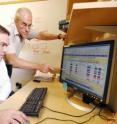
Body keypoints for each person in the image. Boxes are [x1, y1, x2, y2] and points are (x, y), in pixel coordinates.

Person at [5, 7, 65, 75]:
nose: (27, 29)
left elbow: (41, 35)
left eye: (29, 25)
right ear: (15, 21)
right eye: (24, 24)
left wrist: (59, 36)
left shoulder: (24, 30)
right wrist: (40, 67)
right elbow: (12, 60)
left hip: (6, 67)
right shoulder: (8, 32)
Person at [0, 25, 11, 102]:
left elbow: (6, 85)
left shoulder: (1, 61)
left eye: (6, 45)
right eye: (2, 44)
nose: (5, 50)